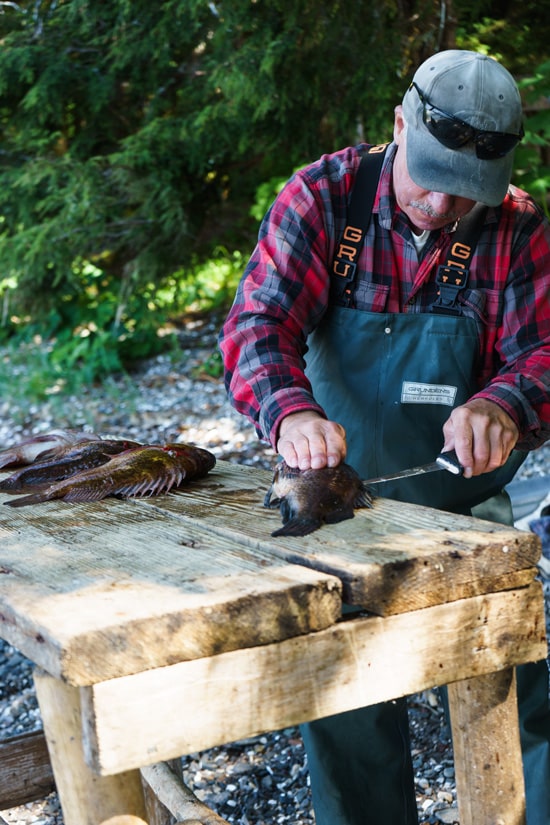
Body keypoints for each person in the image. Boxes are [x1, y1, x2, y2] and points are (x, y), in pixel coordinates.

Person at [219, 49, 550, 825]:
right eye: (426, 177)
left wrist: (504, 405)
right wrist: (291, 413)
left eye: (462, 192)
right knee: (343, 697)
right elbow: (256, 326)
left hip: (462, 509)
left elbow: (541, 353)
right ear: (398, 125)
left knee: (520, 678)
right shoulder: (323, 196)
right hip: (337, 510)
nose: (438, 204)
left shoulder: (516, 226)